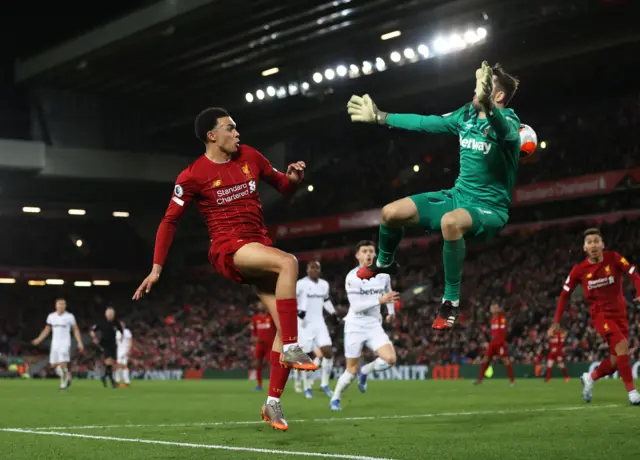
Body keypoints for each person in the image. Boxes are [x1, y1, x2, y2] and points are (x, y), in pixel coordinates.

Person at [132, 107, 316, 431]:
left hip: (258, 246)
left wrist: (294, 181)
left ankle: (272, 402)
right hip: (229, 248)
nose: (237, 134)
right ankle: (291, 348)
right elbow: (169, 221)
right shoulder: (192, 175)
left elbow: (282, 186)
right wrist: (156, 268)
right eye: (230, 128)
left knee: (281, 324)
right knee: (288, 262)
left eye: (237, 128)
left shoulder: (251, 156)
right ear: (212, 135)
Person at [346, 62, 521, 330]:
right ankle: (385, 263)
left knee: (450, 223)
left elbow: (505, 132)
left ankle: (450, 301)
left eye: (482, 89)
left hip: (490, 209)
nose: (474, 92)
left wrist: (487, 105)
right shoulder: (466, 115)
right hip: (457, 196)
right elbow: (426, 122)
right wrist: (381, 117)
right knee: (390, 213)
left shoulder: (509, 121)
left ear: (497, 96)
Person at [550, 228, 640, 405]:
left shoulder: (614, 258)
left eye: (596, 241)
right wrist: (556, 321)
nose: (593, 245)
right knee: (622, 347)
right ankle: (633, 393)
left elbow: (633, 274)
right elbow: (564, 294)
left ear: (602, 245)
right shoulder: (579, 270)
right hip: (601, 316)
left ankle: (590, 377)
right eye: (589, 242)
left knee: (616, 361)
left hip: (620, 315)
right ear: (584, 248)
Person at [330, 240, 399, 411]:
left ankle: (366, 371)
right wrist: (379, 300)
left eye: (371, 251)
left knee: (390, 359)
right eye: (364, 251)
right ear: (357, 255)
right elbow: (357, 306)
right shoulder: (352, 277)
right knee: (351, 370)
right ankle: (336, 398)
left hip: (374, 324)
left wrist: (390, 311)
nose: (368, 254)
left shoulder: (383, 275)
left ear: (375, 254)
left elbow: (388, 293)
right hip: (355, 325)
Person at [295, 261, 338, 399]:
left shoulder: (324, 284)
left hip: (319, 323)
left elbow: (326, 300)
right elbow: (290, 299)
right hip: (304, 324)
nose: (314, 270)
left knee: (328, 353)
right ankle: (307, 387)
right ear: (307, 270)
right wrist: (297, 311)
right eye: (311, 268)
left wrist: (333, 313)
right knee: (307, 357)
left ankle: (324, 384)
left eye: (317, 268)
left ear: (320, 270)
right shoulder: (300, 284)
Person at [31, 298, 84, 391]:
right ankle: (67, 376)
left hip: (65, 343)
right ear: (56, 305)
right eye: (60, 304)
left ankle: (63, 385)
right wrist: (39, 339)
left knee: (62, 363)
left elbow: (75, 329)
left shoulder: (69, 316)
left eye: (63, 304)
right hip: (55, 343)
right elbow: (47, 330)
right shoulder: (51, 316)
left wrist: (79, 342)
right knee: (53, 365)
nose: (61, 306)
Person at [473, 302, 515, 386]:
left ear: (498, 309)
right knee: (485, 360)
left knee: (505, 360)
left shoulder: (501, 318)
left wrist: (502, 342)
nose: (492, 309)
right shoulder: (492, 320)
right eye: (492, 307)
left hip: (500, 344)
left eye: (494, 307)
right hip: (493, 344)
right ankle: (480, 379)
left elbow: (503, 332)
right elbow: (493, 333)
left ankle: (512, 381)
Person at [90, 306, 123, 388]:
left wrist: (121, 337)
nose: (110, 315)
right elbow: (92, 330)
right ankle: (112, 381)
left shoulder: (116, 322)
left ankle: (104, 377)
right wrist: (94, 338)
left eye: (112, 313)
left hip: (113, 344)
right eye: (109, 313)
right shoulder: (102, 322)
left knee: (112, 363)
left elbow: (121, 331)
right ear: (106, 314)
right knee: (109, 362)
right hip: (105, 344)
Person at [251, 302, 276, 391]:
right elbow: (254, 331)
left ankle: (274, 385)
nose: (260, 307)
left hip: (270, 345)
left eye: (262, 305)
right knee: (257, 364)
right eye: (259, 305)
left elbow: (278, 329)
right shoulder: (255, 318)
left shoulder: (271, 317)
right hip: (259, 344)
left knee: (272, 364)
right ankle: (259, 385)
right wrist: (254, 337)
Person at [115, 321, 133, 387]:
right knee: (118, 366)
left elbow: (131, 341)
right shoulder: (117, 332)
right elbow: (116, 343)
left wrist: (129, 351)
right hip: (118, 351)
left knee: (124, 365)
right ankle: (118, 381)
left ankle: (126, 381)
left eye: (122, 324)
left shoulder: (127, 331)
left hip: (125, 351)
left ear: (124, 325)